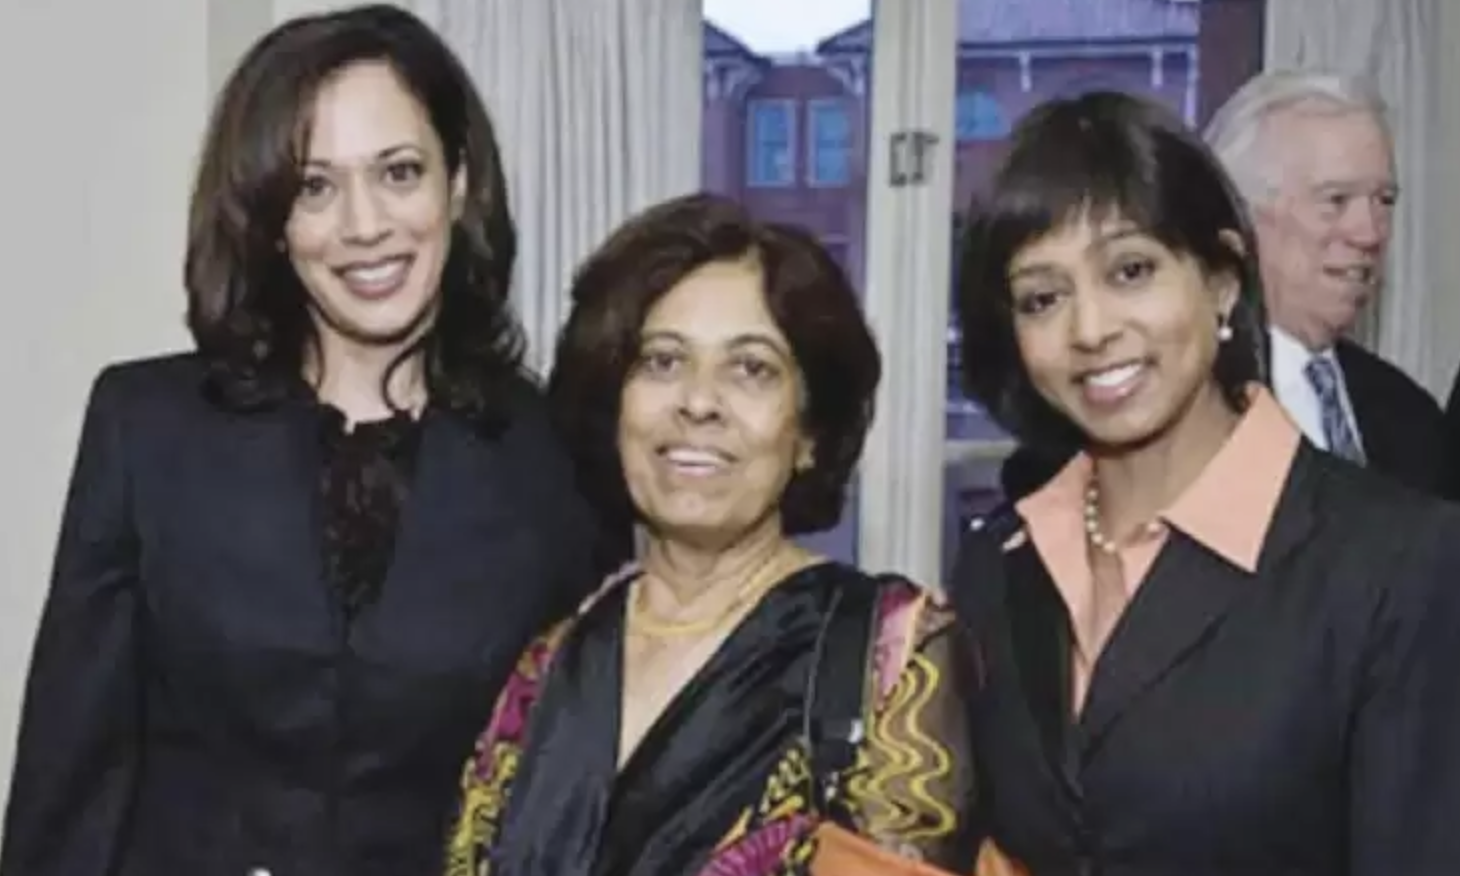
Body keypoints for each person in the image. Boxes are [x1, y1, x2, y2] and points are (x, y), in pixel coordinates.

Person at [1, 7, 611, 876]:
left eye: (399, 172)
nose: (365, 225)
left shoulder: (557, 459)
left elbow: (573, 795)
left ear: (459, 182)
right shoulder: (144, 427)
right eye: (315, 187)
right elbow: (70, 782)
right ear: (271, 219)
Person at [949, 91, 1460, 875]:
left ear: (1221, 278)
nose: (1091, 330)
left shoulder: (1397, 563)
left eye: (1131, 271)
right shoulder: (999, 563)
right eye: (1043, 299)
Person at [445, 193, 999, 876]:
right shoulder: (552, 662)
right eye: (662, 361)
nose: (699, 402)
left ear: (810, 433)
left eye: (751, 369)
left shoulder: (890, 656)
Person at [999, 70, 1447, 502]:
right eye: (1336, 201)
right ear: (1242, 212)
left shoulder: (1411, 414)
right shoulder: (1143, 399)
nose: (1369, 232)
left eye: (1383, 200)